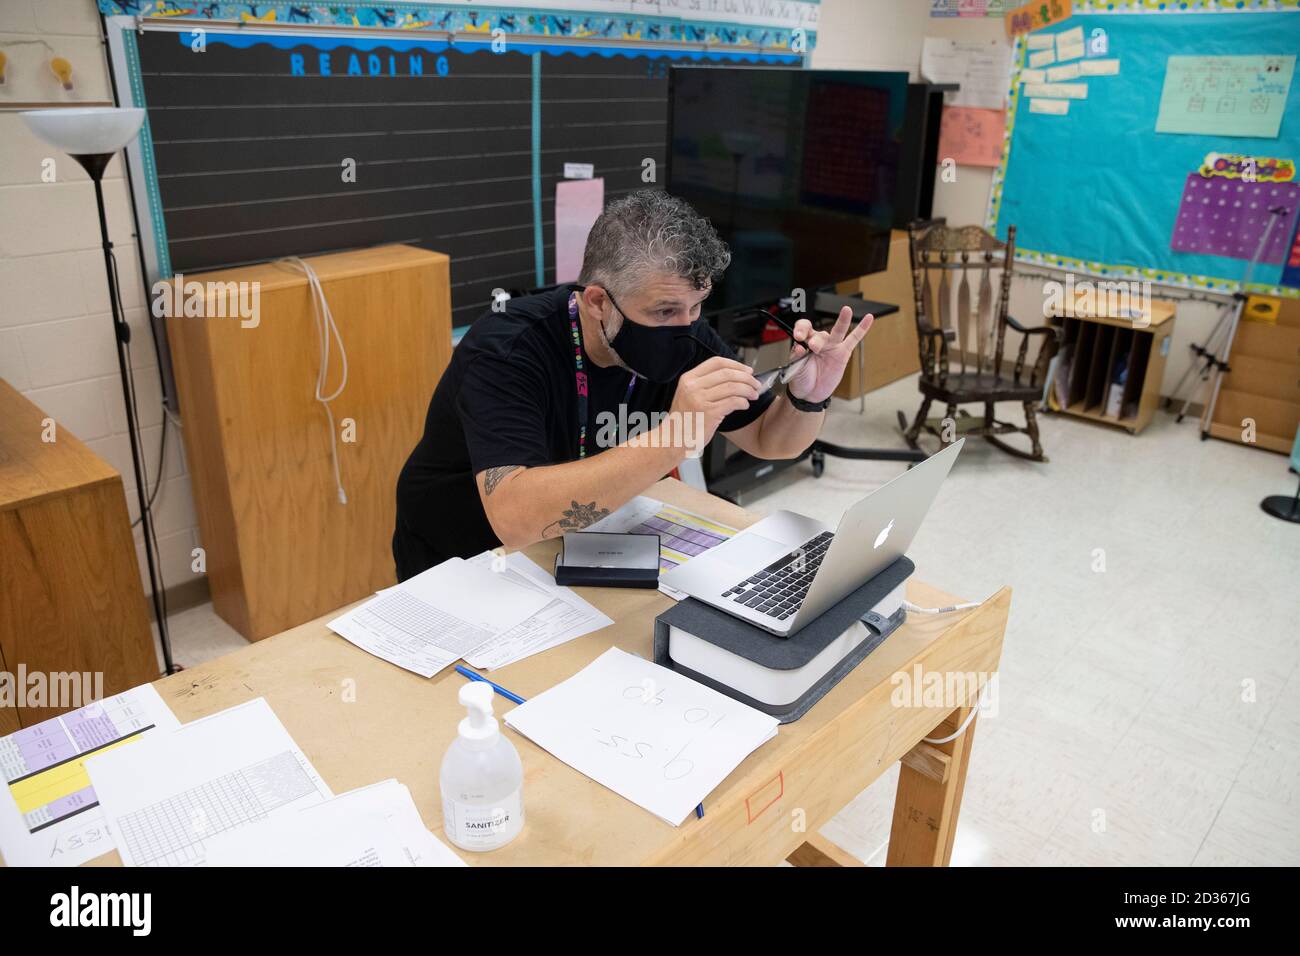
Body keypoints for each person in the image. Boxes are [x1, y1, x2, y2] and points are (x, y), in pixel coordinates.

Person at [392, 190, 872, 580]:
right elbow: (515, 520)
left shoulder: (686, 332)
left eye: (696, 307)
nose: (685, 327)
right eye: (664, 311)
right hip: (467, 561)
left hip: (578, 546)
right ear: (598, 302)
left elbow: (770, 440)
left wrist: (808, 396)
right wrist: (675, 437)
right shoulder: (507, 349)